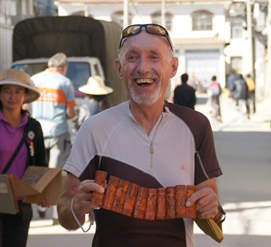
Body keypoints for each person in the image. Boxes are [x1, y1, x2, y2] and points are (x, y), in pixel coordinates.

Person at [58, 23, 225, 246]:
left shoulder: (196, 126)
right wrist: (77, 206)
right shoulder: (94, 129)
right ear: (119, 68)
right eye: (133, 57)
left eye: (154, 57)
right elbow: (64, 214)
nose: (143, 68)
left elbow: (212, 211)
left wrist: (213, 210)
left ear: (173, 67)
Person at [0, 69, 47, 247]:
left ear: (25, 95)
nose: (12, 96)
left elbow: (41, 163)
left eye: (18, 91)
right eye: (7, 91)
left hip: (20, 203)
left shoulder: (33, 127)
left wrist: (43, 191)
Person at [31, 52, 76, 224]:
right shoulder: (65, 82)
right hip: (58, 131)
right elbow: (70, 113)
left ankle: (40, 205)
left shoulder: (35, 79)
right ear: (64, 68)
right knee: (56, 172)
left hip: (38, 132)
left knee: (40, 169)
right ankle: (56, 214)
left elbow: (26, 105)